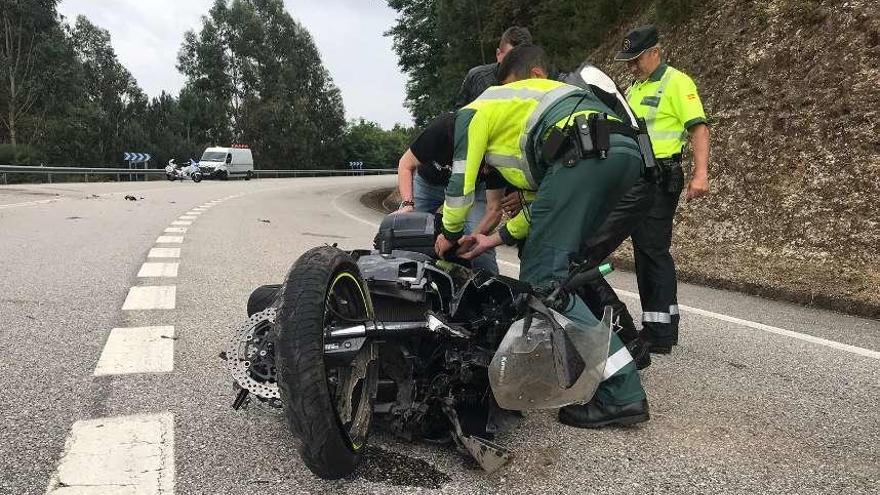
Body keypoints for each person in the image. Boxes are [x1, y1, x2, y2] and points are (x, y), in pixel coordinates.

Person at [436, 44, 649, 428]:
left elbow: (458, 186)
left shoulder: (476, 110)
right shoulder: (532, 111)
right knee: (561, 270)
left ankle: (622, 390)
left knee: (543, 283)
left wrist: (448, 235)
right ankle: (604, 367)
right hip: (622, 154)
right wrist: (492, 240)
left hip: (583, 153)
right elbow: (541, 209)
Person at [615, 25, 710, 354]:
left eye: (636, 59)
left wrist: (701, 174)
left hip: (662, 176)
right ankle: (658, 324)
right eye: (628, 61)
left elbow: (698, 128)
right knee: (645, 250)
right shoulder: (634, 88)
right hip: (638, 178)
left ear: (655, 52)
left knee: (653, 250)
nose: (631, 66)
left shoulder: (677, 82)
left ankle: (660, 333)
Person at [394, 112, 505, 273]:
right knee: (408, 232)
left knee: (481, 244)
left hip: (473, 191)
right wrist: (407, 204)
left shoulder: (498, 147)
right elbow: (405, 164)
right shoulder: (442, 129)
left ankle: (489, 289)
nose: (486, 170)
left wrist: (472, 239)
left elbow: (494, 209)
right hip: (428, 184)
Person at [455, 26, 533, 107]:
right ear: (498, 54)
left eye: (523, 60)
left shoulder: (535, 83)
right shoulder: (478, 77)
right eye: (510, 59)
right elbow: (459, 113)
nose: (516, 65)